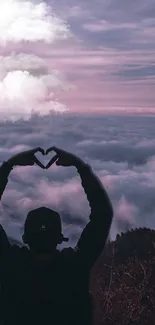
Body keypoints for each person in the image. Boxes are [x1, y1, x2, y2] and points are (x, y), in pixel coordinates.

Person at [0, 146, 113, 325]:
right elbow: (103, 214)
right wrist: (80, 166)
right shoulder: (75, 267)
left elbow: (103, 215)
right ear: (59, 237)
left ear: (25, 237)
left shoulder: (9, 264)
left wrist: (8, 165)